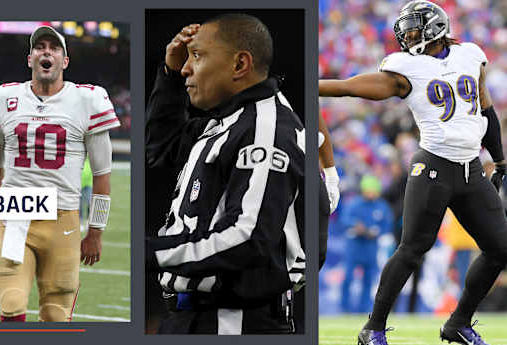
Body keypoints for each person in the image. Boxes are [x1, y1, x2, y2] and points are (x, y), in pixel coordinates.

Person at [319, 1, 507, 344]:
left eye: (414, 29)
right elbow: (350, 85)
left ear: (435, 28)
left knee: (500, 248)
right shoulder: (406, 68)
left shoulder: (470, 55)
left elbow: (487, 107)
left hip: (471, 169)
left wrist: (500, 159)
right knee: (412, 249)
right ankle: (372, 328)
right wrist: (312, 85)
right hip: (434, 166)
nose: (407, 36)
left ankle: (458, 324)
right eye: (405, 30)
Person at [145, 14, 325, 334]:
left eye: (197, 56)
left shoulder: (266, 128)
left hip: (234, 320)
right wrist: (170, 76)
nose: (186, 67)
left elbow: (248, 237)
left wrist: (150, 253)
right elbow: (161, 148)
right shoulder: (229, 121)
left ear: (240, 64)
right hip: (195, 315)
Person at [0, 25, 119, 322]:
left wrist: (95, 232)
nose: (46, 51)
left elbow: (102, 174)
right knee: (11, 302)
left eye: (54, 48)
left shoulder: (88, 101)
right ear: (29, 59)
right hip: (14, 215)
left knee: (56, 315)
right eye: (40, 47)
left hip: (64, 219)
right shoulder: (4, 98)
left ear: (65, 61)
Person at [339, 175, 393, 313]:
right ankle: (344, 308)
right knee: (348, 277)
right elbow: (344, 220)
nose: (371, 193)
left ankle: (363, 310)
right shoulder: (354, 203)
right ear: (363, 189)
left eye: (373, 190)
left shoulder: (382, 206)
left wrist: (375, 232)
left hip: (371, 246)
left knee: (368, 280)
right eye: (368, 190)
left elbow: (387, 226)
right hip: (354, 245)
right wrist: (355, 226)